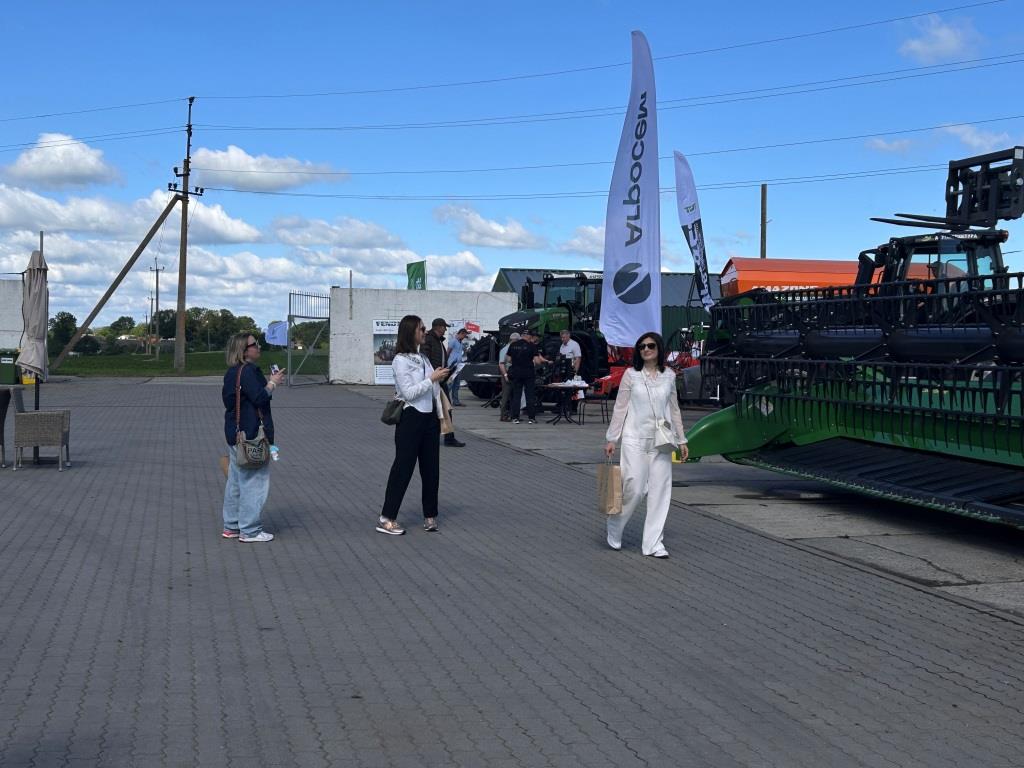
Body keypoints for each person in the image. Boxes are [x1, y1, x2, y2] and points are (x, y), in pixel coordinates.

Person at [603, 332, 688, 558]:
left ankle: (654, 544)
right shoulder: (631, 375)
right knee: (635, 488)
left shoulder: (669, 376)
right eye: (642, 347)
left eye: (650, 346)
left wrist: (682, 439)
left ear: (659, 349)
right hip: (634, 440)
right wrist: (612, 438)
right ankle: (615, 525)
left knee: (660, 491)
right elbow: (620, 407)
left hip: (661, 441)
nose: (646, 350)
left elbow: (674, 409)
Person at [378, 315, 450, 535]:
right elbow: (409, 393)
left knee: (431, 470)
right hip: (411, 418)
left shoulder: (423, 357)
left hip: (429, 418)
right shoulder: (400, 360)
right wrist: (431, 379)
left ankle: (430, 515)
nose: (424, 332)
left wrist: (440, 378)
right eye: (421, 328)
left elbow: (431, 388)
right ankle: (387, 517)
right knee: (403, 468)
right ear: (410, 332)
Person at [221, 332, 285, 543]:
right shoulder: (248, 371)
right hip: (252, 434)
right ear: (243, 350)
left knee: (236, 481)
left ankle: (231, 526)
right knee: (254, 482)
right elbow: (259, 397)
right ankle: (250, 530)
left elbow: (231, 401)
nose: (259, 347)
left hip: (235, 432)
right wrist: (272, 383)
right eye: (254, 344)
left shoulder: (232, 372)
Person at [421, 318, 465, 447]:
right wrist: (433, 374)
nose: (445, 329)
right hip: (434, 379)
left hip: (440, 379)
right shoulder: (429, 339)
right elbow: (425, 359)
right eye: (444, 327)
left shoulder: (438, 340)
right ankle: (439, 437)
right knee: (436, 409)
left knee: (446, 408)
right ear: (439, 327)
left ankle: (449, 437)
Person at [507, 329, 549, 424]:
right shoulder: (532, 346)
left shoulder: (513, 345)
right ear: (528, 336)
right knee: (529, 396)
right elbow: (537, 361)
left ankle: (515, 418)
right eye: (531, 336)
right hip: (529, 374)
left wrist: (517, 362)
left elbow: (508, 359)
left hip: (516, 373)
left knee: (516, 396)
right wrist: (541, 362)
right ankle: (531, 418)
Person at [497, 332, 519, 421]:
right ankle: (503, 415)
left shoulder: (512, 349)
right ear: (514, 340)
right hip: (507, 374)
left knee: (512, 396)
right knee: (506, 396)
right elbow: (501, 364)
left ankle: (511, 415)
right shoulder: (505, 349)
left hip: (512, 374)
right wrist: (505, 376)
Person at [447, 327, 470, 406]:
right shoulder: (453, 341)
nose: (464, 337)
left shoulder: (460, 342)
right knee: (450, 384)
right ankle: (445, 400)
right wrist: (447, 364)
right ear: (461, 333)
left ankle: (456, 401)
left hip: (458, 366)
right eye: (464, 336)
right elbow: (448, 352)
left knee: (456, 384)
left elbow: (462, 352)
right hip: (452, 365)